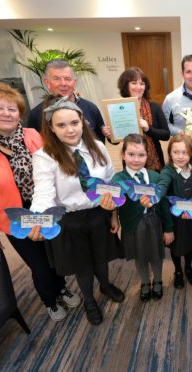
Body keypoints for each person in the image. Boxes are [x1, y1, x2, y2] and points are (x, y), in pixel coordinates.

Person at [0, 82, 80, 322]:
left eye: (12, 109)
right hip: (15, 220)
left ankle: (62, 287)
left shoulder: (33, 136)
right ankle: (49, 299)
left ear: (19, 113)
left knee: (55, 257)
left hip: (47, 210)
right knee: (40, 265)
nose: (7, 113)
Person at [30, 97, 124, 325]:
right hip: (70, 220)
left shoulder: (98, 147)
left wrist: (114, 213)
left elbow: (110, 180)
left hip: (99, 213)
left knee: (101, 258)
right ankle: (89, 299)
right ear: (51, 128)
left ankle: (105, 285)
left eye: (74, 123)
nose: (70, 130)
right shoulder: (44, 156)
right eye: (61, 125)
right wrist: (39, 218)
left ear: (83, 122)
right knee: (83, 265)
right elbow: (43, 192)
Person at [111, 134, 173, 301]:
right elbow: (114, 202)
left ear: (148, 155)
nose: (136, 159)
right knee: (139, 256)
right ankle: (145, 282)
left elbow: (164, 205)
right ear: (123, 155)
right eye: (131, 154)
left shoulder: (155, 177)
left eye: (141, 155)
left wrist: (168, 229)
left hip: (153, 222)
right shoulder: (118, 179)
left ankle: (158, 280)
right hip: (132, 225)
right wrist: (114, 218)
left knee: (156, 255)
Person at [151, 134, 192, 288]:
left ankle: (188, 268)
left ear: (191, 153)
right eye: (176, 152)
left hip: (191, 218)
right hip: (174, 222)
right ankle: (178, 271)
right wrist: (168, 229)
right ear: (170, 153)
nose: (180, 156)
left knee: (190, 245)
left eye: (184, 152)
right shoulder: (168, 172)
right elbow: (162, 187)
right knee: (176, 247)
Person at [103, 67, 170, 171]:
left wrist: (149, 129)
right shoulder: (117, 107)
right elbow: (115, 141)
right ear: (126, 86)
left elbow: (166, 135)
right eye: (134, 83)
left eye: (142, 83)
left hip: (155, 163)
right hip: (130, 161)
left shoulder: (154, 107)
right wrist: (109, 135)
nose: (138, 87)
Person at [27, 59, 107, 142]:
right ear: (47, 82)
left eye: (68, 79)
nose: (63, 83)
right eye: (56, 79)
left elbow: (100, 139)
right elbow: (33, 145)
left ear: (74, 82)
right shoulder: (36, 114)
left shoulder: (91, 107)